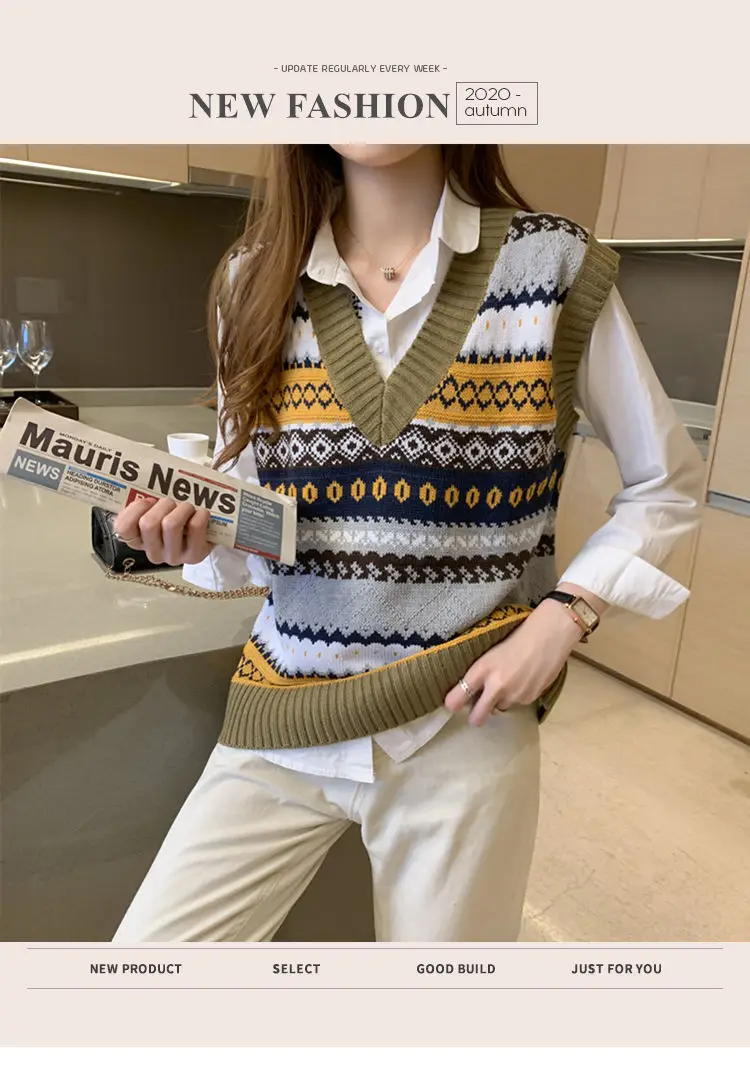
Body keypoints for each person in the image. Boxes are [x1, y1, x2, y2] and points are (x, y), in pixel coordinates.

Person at [112, 144, 703, 943]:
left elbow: (666, 483)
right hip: (284, 709)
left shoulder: (551, 266)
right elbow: (255, 527)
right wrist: (190, 535)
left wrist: (565, 616)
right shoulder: (250, 282)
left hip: (464, 723)